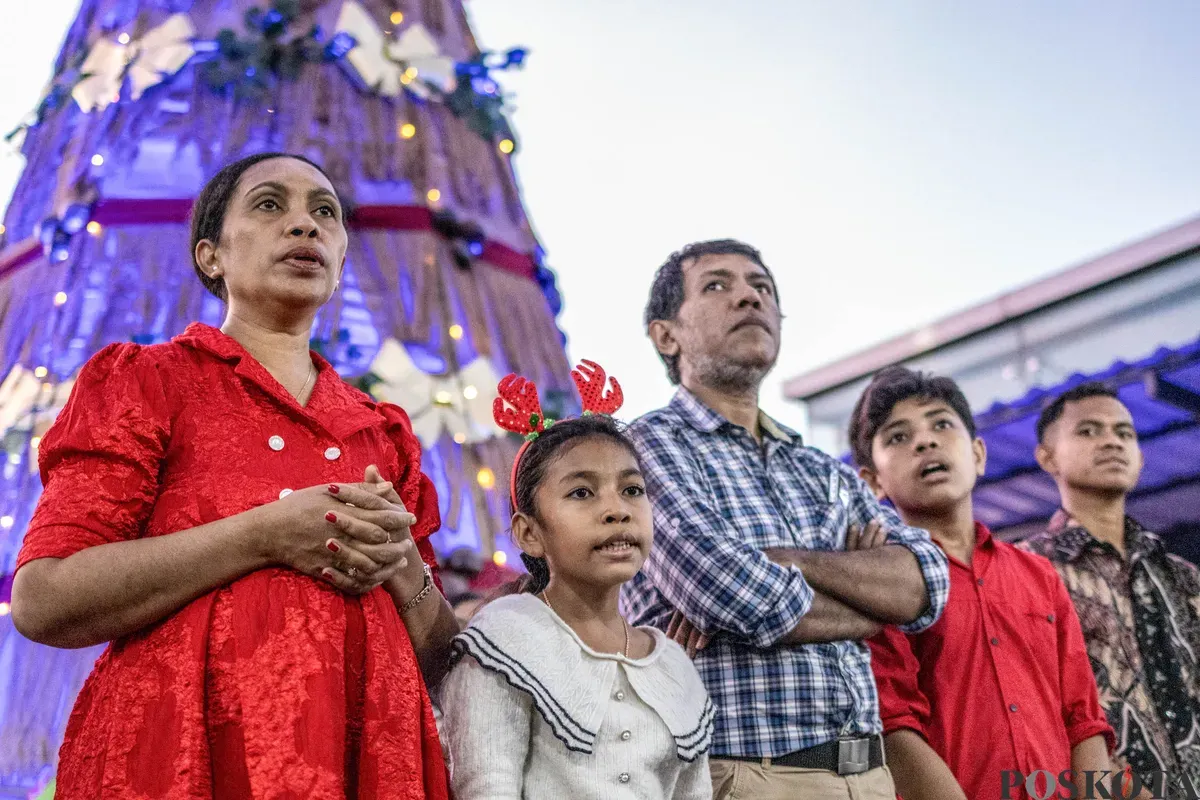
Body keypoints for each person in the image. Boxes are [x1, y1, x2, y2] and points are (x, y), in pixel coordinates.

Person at [10, 153, 459, 799]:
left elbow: (441, 661)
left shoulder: (382, 432)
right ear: (211, 256)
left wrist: (403, 568)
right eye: (270, 204)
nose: (305, 226)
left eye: (324, 213)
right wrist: (265, 534)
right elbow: (44, 600)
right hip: (176, 762)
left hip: (365, 762)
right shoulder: (151, 381)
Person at [619, 239, 950, 799]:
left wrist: (790, 560)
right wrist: (870, 601)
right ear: (666, 335)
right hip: (746, 776)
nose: (749, 297)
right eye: (718, 285)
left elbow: (927, 583)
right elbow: (730, 592)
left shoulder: (823, 469)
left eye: (762, 287)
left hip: (871, 777)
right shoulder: (645, 449)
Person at [438, 364, 714, 799]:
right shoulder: (507, 640)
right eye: (582, 492)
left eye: (632, 490)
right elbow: (485, 785)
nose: (617, 510)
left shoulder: (672, 665)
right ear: (530, 533)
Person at [850, 367, 1117, 800]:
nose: (925, 441)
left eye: (942, 424)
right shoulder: (879, 584)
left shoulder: (1039, 576)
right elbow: (894, 726)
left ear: (977, 454)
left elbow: (1083, 718)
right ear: (872, 482)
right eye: (898, 437)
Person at [1018, 382, 1200, 788]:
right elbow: (1025, 706)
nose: (1112, 442)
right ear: (1047, 457)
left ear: (1139, 455)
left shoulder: (1182, 575)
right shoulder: (1025, 571)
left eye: (1124, 433)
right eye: (1088, 431)